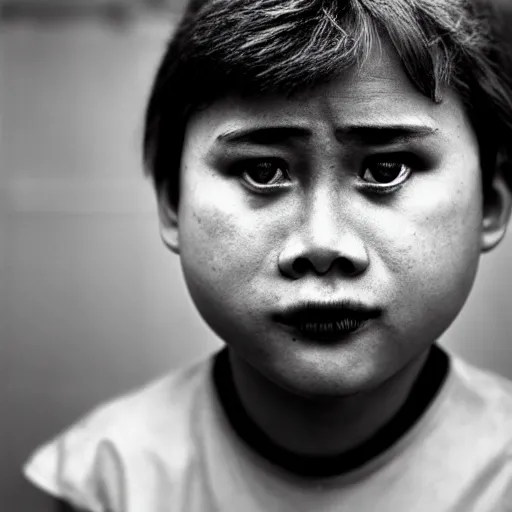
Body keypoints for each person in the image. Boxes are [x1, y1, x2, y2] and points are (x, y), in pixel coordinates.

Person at [23, 0, 512, 510]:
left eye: (387, 168)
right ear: (173, 201)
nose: (322, 245)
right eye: (262, 171)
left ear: (492, 202)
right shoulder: (107, 483)